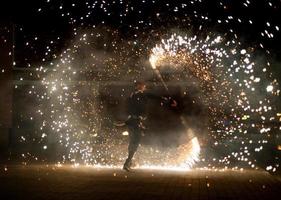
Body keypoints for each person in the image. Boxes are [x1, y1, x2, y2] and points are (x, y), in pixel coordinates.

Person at [123, 81, 177, 171]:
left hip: (133, 121)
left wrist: (168, 100)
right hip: (134, 121)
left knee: (134, 141)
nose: (144, 86)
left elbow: (156, 97)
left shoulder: (132, 94)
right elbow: (156, 97)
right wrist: (169, 100)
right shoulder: (138, 94)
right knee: (135, 141)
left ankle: (129, 162)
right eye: (142, 85)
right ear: (138, 86)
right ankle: (128, 162)